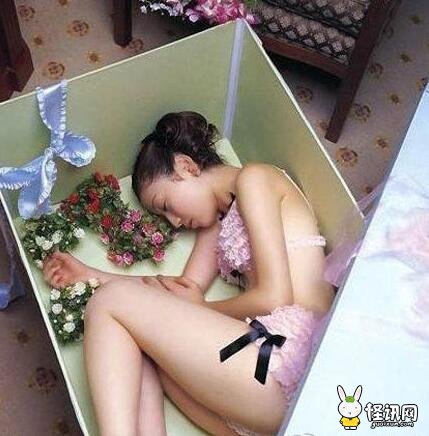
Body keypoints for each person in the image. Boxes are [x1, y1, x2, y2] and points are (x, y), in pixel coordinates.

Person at [42, 111, 335, 436]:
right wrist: (91, 274)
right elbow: (177, 295)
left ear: (186, 167)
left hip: (286, 360)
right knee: (142, 341)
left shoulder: (255, 179)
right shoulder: (219, 225)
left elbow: (274, 296)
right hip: (258, 392)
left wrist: (202, 307)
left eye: (166, 204)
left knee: (108, 301)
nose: (175, 222)